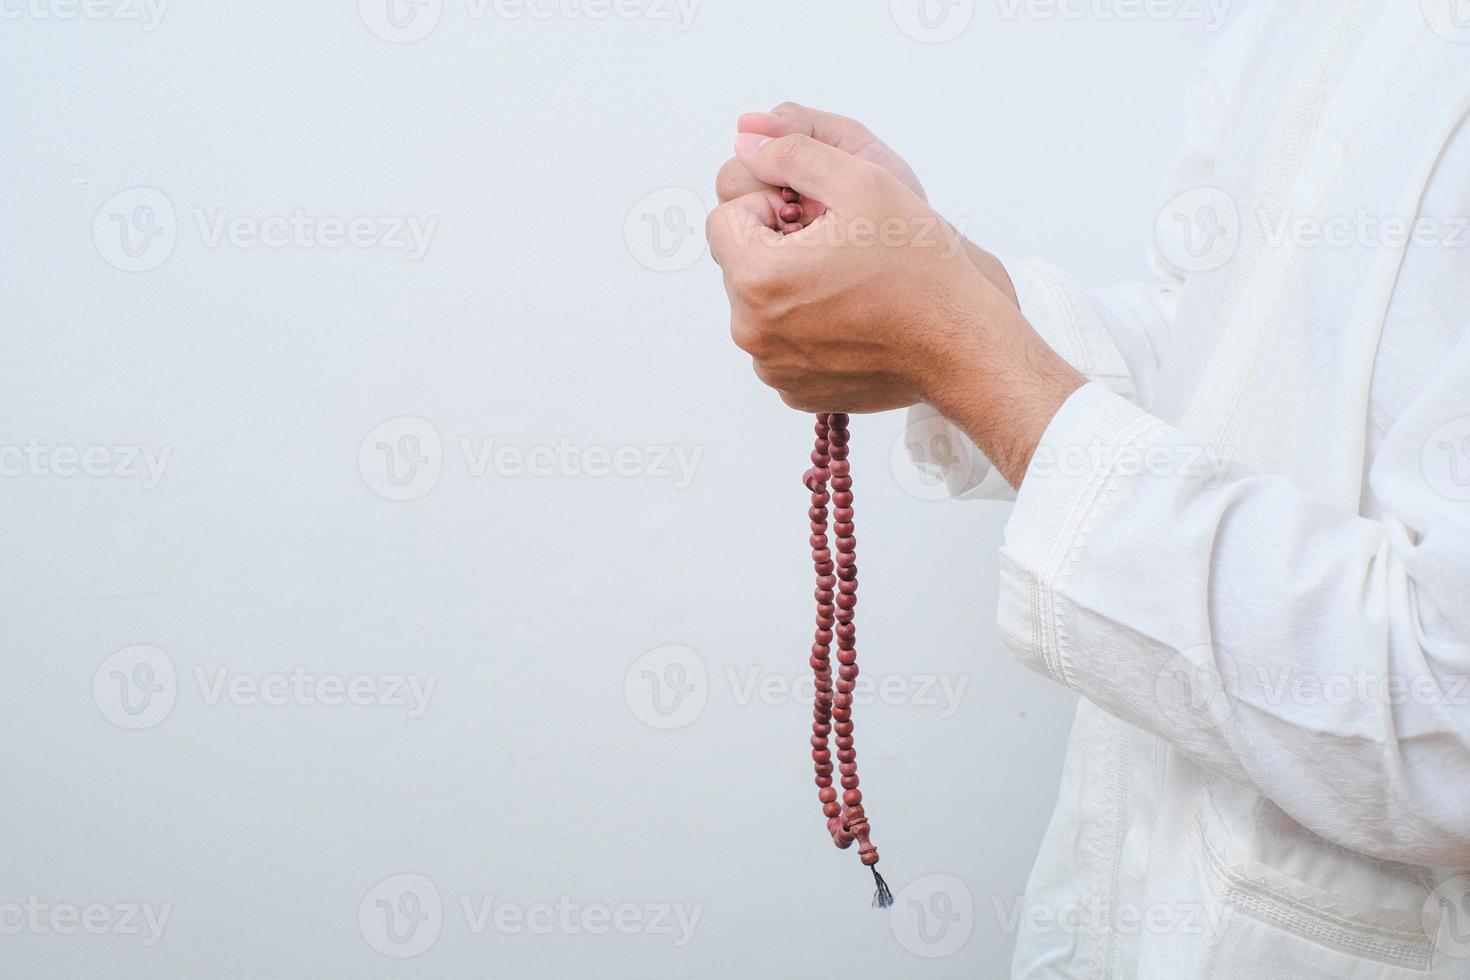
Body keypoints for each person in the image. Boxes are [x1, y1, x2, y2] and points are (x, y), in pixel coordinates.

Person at [706, 3, 1470, 976]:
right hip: (1140, 891)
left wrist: (959, 347)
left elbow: (1448, 699)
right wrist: (951, 284)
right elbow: (1216, 358)